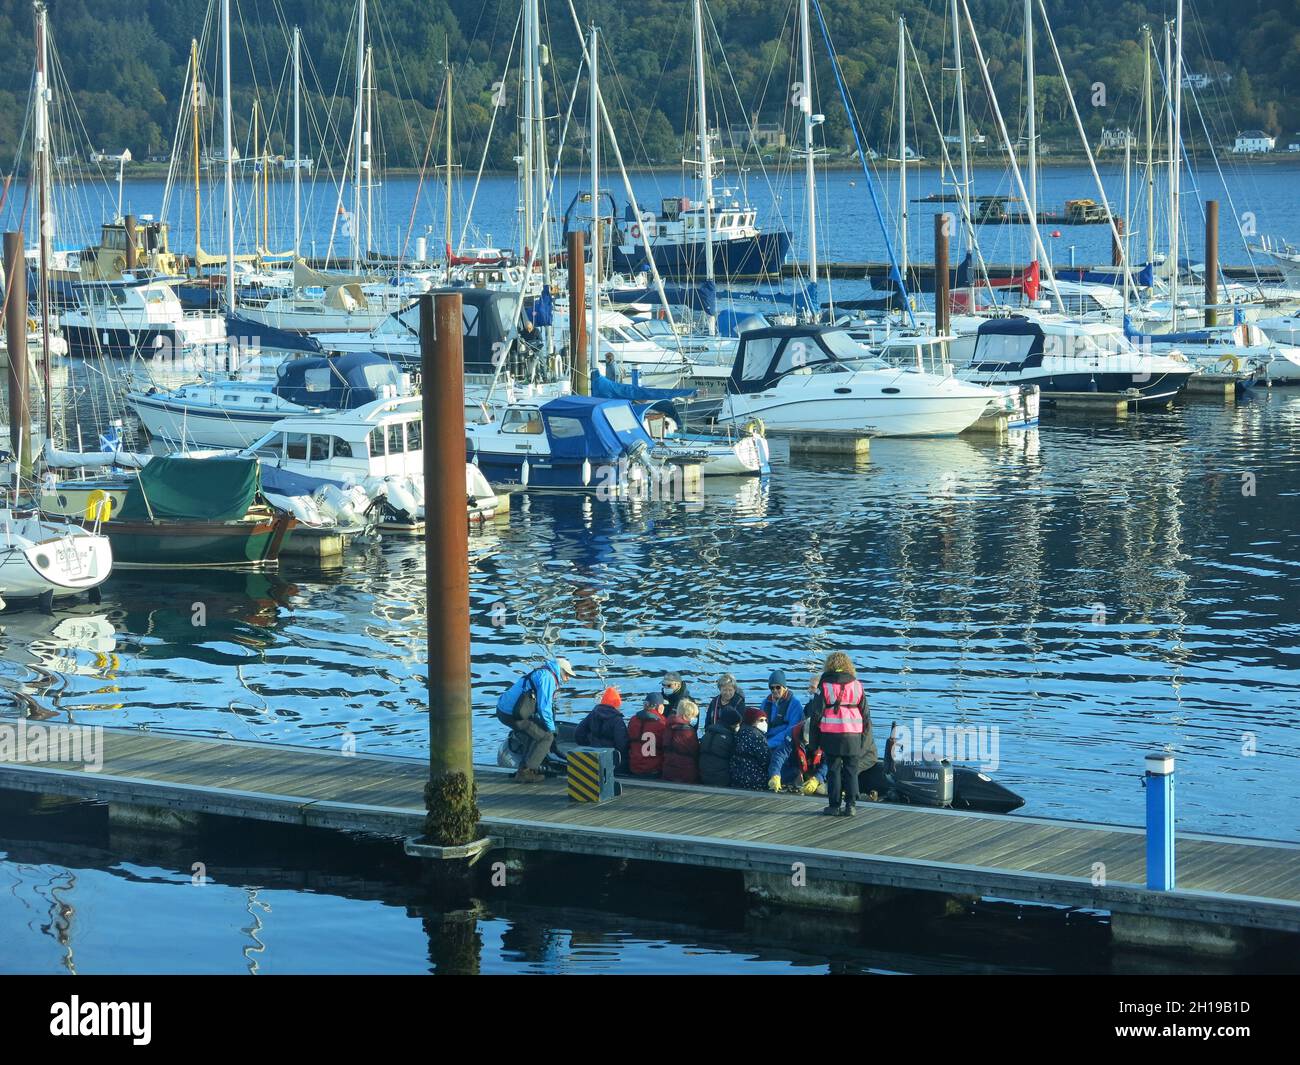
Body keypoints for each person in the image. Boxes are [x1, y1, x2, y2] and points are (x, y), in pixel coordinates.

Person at [805, 651, 872, 816]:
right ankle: (851, 806)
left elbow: (816, 715)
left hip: (831, 735)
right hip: (853, 736)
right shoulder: (857, 685)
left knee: (833, 770)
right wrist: (865, 740)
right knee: (851, 770)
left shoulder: (825, 685)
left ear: (829, 665)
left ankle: (834, 806)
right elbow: (865, 715)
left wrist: (814, 743)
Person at [495, 656, 578, 783]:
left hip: (504, 710)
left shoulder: (542, 672)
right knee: (546, 737)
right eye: (566, 674)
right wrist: (551, 729)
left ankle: (524, 769)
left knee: (534, 733)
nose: (567, 679)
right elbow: (544, 708)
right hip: (512, 714)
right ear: (559, 670)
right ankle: (526, 772)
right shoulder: (548, 678)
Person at [760, 669, 805, 792]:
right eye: (772, 688)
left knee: (778, 756)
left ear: (784, 687)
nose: (775, 691)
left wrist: (769, 743)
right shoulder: (766, 703)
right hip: (767, 741)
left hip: (786, 743)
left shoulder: (795, 704)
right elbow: (759, 724)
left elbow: (792, 731)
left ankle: (789, 778)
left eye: (778, 687)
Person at [574, 686, 629, 771]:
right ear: (617, 704)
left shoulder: (593, 714)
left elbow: (579, 732)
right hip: (610, 759)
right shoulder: (617, 720)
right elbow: (621, 743)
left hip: (593, 754)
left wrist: (587, 746)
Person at [771, 717, 828, 795]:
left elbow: (827, 761)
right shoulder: (792, 733)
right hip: (796, 768)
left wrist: (817, 779)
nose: (807, 742)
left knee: (823, 789)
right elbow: (780, 755)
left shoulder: (827, 737)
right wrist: (775, 774)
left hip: (817, 769)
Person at [627, 692, 668, 777]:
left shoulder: (633, 720)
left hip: (634, 767)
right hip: (654, 769)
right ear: (659, 707)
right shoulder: (662, 723)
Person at [730, 707, 772, 791]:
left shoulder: (739, 733)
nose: (764, 723)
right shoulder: (757, 737)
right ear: (752, 721)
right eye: (760, 720)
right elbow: (766, 760)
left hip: (737, 778)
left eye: (765, 720)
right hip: (756, 780)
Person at [661, 698, 701, 784]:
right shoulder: (688, 731)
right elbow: (694, 751)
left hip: (668, 769)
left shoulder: (668, 726)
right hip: (685, 772)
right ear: (686, 715)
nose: (694, 718)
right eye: (693, 716)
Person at [699, 706, 740, 787]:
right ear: (731, 723)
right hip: (721, 778)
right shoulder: (729, 738)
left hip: (703, 774)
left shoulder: (708, 733)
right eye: (736, 724)